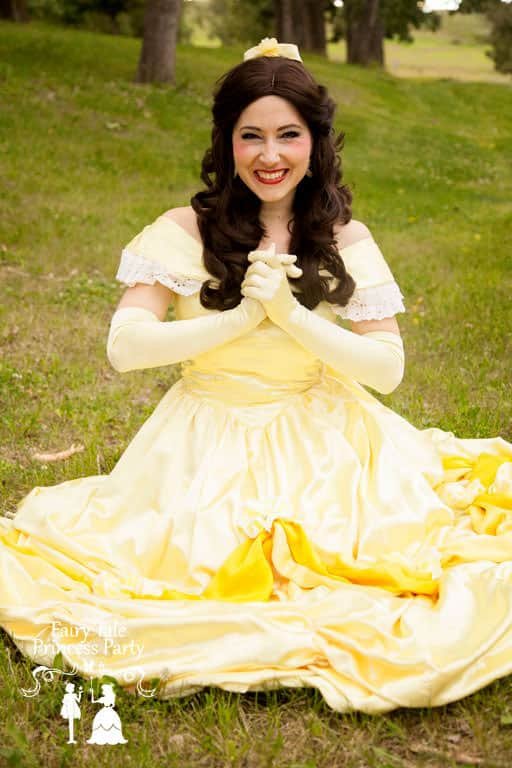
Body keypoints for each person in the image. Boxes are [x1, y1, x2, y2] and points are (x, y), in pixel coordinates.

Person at [1, 36, 511, 716]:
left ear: (316, 144)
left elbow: (388, 370)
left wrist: (291, 317)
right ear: (227, 142)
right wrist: (242, 318)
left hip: (325, 437)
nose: (270, 155)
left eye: (288, 135)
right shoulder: (185, 228)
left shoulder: (344, 238)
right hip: (201, 436)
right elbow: (126, 347)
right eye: (251, 136)